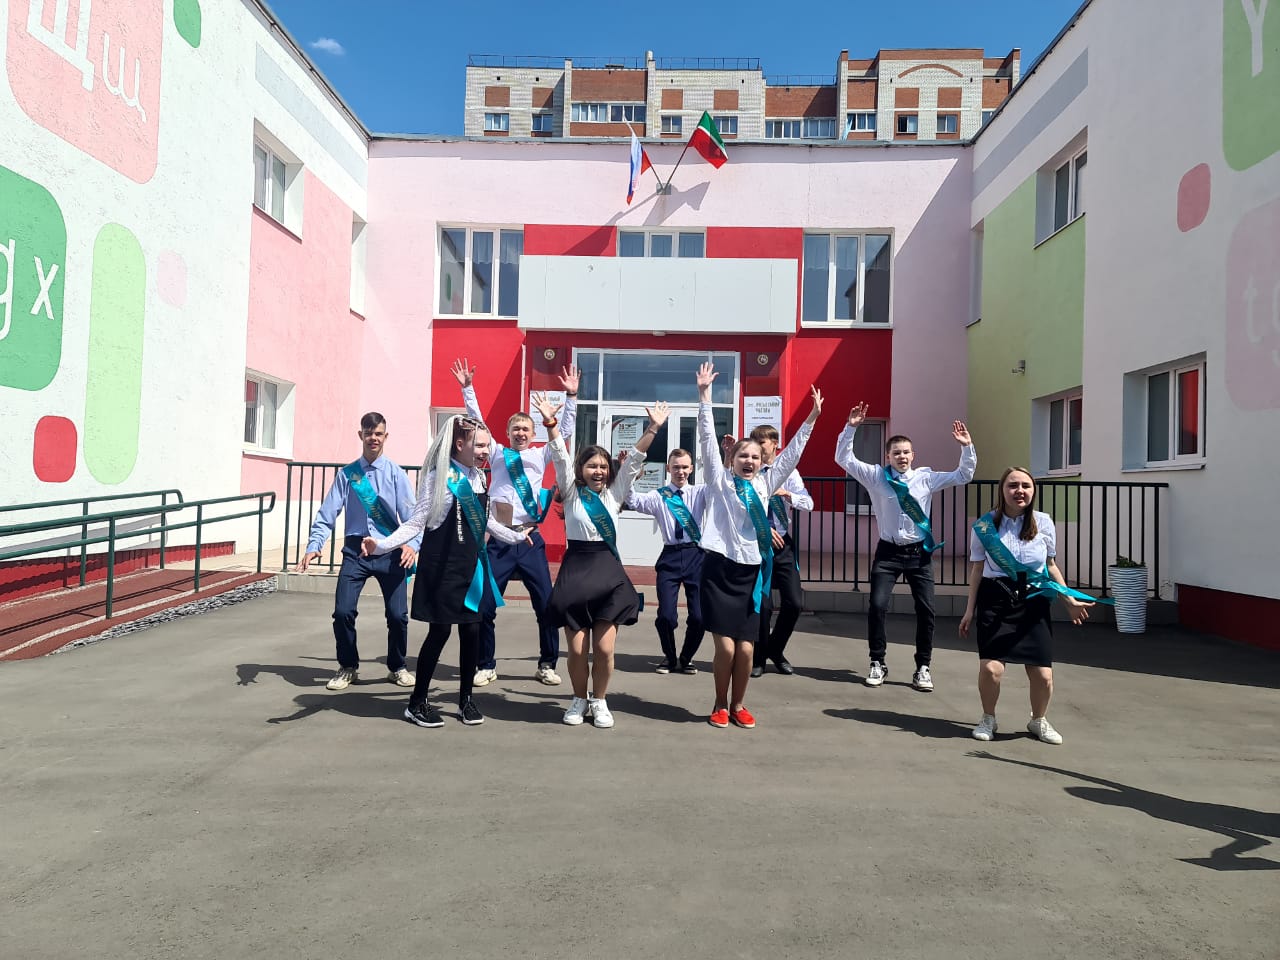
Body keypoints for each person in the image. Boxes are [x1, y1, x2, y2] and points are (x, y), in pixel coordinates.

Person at [362, 415, 530, 728]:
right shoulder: (439, 478)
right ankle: (416, 703)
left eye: (486, 445)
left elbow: (486, 522)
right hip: (442, 568)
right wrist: (382, 545)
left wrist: (516, 536)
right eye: (479, 445)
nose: (485, 451)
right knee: (439, 633)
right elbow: (415, 522)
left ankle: (466, 700)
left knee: (472, 632)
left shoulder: (478, 478)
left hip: (471, 568)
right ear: (459, 444)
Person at [696, 362, 822, 729]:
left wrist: (812, 417)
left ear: (761, 461)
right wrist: (705, 397)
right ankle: (720, 703)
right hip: (719, 572)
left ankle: (739, 704)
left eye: (754, 456)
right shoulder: (720, 483)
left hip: (751, 573)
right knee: (726, 648)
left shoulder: (767, 484)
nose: (749, 460)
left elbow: (793, 454)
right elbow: (707, 440)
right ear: (732, 460)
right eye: (743, 456)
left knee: (747, 649)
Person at [534, 393, 664, 729]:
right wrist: (550, 422)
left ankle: (600, 700)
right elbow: (559, 455)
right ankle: (579, 699)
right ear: (581, 469)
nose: (599, 471)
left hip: (607, 573)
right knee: (577, 651)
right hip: (576, 572)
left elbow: (634, 460)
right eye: (592, 465)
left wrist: (652, 428)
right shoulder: (571, 492)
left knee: (604, 650)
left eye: (604, 466)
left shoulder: (614, 494)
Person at [454, 358, 578, 687]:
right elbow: (478, 424)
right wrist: (468, 389)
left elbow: (563, 433)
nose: (520, 433)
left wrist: (572, 398)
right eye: (515, 429)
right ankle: (485, 664)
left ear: (533, 433)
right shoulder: (496, 453)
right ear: (508, 434)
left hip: (530, 540)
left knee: (546, 604)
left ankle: (547, 664)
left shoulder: (541, 454)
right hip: (499, 541)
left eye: (525, 429)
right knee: (485, 605)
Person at [836, 402, 975, 692]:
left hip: (918, 555)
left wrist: (966, 447)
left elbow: (963, 475)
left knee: (926, 610)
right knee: (877, 606)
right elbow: (844, 459)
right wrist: (851, 428)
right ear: (887, 456)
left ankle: (923, 667)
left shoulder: (926, 478)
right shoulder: (876, 476)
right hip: (888, 553)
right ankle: (877, 661)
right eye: (896, 452)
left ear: (913, 455)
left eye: (906, 452)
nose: (901, 456)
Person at [959, 467, 1097, 744]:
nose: (1019, 491)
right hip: (995, 599)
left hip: (1033, 602)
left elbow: (1050, 566)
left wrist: (1068, 600)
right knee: (992, 669)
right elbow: (977, 569)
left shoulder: (1043, 522)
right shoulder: (985, 526)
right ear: (1002, 490)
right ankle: (988, 718)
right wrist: (969, 610)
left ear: (1033, 491)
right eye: (1013, 485)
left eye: (1025, 485)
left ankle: (1038, 720)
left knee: (1043, 675)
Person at [298, 412, 420, 691]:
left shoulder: (396, 474)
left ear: (385, 436)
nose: (373, 438)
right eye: (368, 433)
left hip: (389, 550)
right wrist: (315, 544)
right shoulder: (348, 474)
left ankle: (397, 666)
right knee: (342, 612)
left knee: (398, 615)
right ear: (360, 435)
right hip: (356, 551)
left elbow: (413, 518)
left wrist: (412, 546)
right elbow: (327, 513)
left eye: (378, 433)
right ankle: (347, 667)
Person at [625, 448, 708, 675]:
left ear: (692, 469)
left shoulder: (701, 493)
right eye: (676, 467)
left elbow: (721, 485)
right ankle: (670, 658)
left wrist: (727, 458)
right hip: (670, 557)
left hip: (696, 556)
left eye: (684, 467)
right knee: (666, 616)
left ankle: (686, 658)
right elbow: (632, 500)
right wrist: (629, 474)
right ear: (668, 469)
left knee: (699, 616)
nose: (680, 471)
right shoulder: (658, 496)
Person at [748, 424, 814, 678]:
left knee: (794, 603)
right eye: (754, 442)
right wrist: (762, 529)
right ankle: (758, 658)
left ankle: (775, 649)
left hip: (783, 545)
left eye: (761, 443)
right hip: (758, 545)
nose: (757, 448)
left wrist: (787, 494)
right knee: (763, 606)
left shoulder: (789, 472)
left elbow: (808, 503)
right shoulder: (751, 473)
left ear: (775, 444)